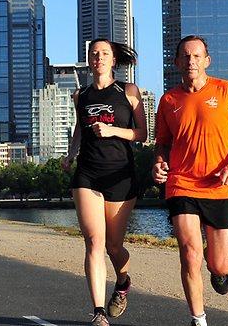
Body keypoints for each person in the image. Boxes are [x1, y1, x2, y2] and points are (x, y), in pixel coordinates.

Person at [152, 35, 228, 326]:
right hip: (182, 184)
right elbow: (161, 143)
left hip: (221, 185)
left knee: (219, 264)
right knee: (189, 253)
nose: (191, 61)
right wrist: (159, 162)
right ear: (176, 63)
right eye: (185, 56)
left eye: (197, 56)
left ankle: (218, 270)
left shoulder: (225, 90)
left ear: (207, 61)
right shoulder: (168, 100)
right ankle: (198, 319)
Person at [62, 38, 147, 326]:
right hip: (87, 174)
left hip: (120, 175)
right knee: (94, 243)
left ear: (113, 60)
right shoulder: (80, 96)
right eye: (94, 53)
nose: (98, 57)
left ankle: (122, 282)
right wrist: (71, 155)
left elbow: (143, 135)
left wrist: (113, 130)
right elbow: (79, 130)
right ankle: (98, 313)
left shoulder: (129, 92)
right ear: (88, 59)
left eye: (104, 53)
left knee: (113, 246)